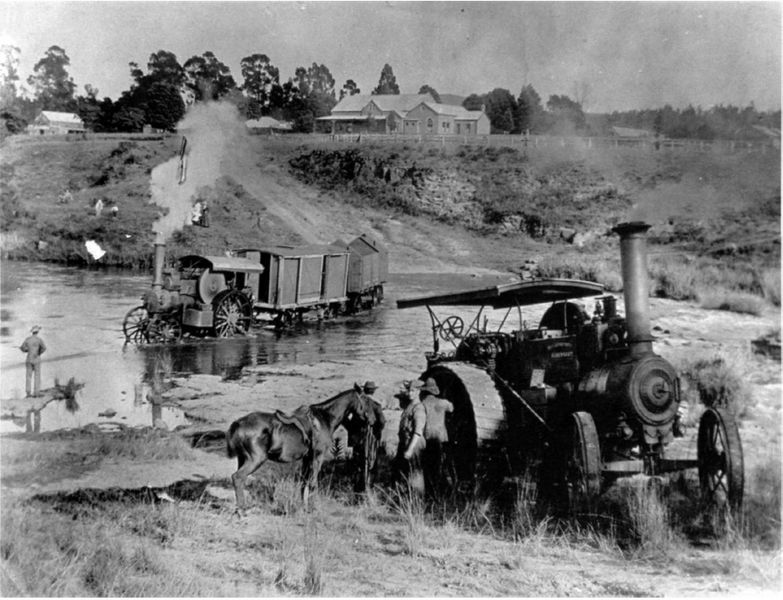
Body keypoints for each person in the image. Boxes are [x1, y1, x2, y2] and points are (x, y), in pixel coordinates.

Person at [348, 381, 386, 492]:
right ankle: (367, 488)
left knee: (358, 465)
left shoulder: (357, 406)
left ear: (365, 390)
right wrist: (377, 432)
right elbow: (382, 422)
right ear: (373, 391)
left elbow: (351, 422)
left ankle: (357, 488)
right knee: (370, 464)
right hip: (370, 440)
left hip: (357, 440)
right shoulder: (375, 406)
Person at [418, 378, 454, 496]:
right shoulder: (442, 403)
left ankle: (429, 492)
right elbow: (452, 408)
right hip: (440, 438)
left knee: (428, 466)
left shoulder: (422, 403)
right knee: (441, 465)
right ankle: (442, 491)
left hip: (426, 439)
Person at [394, 380, 426, 495]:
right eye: (409, 391)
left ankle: (417, 501)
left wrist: (410, 450)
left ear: (418, 392)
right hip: (406, 443)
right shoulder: (410, 406)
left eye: (413, 391)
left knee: (415, 473)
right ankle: (406, 500)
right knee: (404, 472)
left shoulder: (418, 408)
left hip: (414, 445)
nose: (410, 393)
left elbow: (418, 432)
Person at [20, 326, 46, 398]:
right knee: (37, 376)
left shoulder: (27, 339)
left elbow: (22, 348)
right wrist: (39, 353)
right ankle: (36, 393)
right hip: (36, 359)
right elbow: (44, 348)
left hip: (29, 359)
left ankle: (28, 393)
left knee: (28, 376)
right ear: (37, 332)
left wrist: (26, 350)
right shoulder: (39, 340)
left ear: (32, 332)